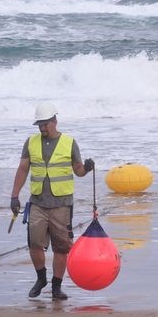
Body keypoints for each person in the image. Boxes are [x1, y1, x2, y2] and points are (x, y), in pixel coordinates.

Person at [10, 102, 95, 300]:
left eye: (46, 123)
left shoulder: (69, 142)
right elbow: (23, 169)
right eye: (40, 124)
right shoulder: (30, 142)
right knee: (35, 245)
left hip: (62, 204)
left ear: (55, 121)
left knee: (61, 248)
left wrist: (87, 168)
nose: (42, 127)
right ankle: (41, 278)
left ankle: (56, 287)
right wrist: (14, 196)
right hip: (38, 202)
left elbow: (78, 170)